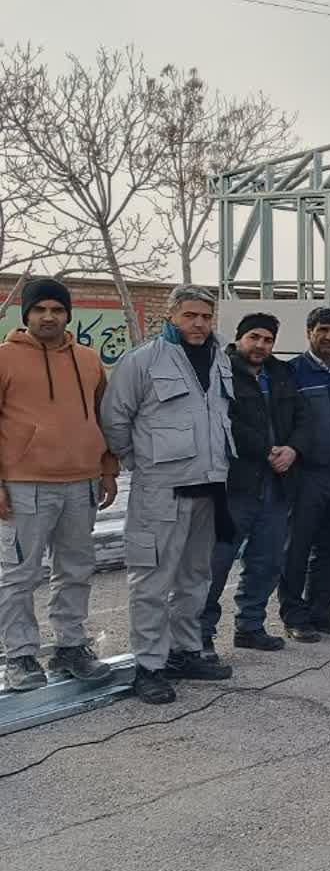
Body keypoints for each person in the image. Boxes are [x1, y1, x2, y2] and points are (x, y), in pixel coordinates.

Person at [100, 284, 235, 704]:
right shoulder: (142, 361)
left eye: (205, 316)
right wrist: (139, 461)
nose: (199, 323)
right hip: (160, 490)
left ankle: (184, 651)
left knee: (195, 577)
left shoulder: (220, 358)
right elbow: (115, 419)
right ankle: (149, 666)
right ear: (171, 316)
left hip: (209, 487)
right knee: (152, 580)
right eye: (190, 315)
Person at [0, 278, 120, 690]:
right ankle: (20, 657)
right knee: (19, 574)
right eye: (40, 310)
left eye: (57, 310)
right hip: (24, 485)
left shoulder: (88, 359)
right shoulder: (5, 359)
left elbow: (103, 417)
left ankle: (70, 648)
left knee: (75, 570)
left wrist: (107, 469)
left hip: (81, 483)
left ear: (68, 314)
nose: (48, 317)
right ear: (26, 315)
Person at [201, 312, 305, 653]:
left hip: (277, 485)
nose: (261, 345)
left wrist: (293, 448)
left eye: (268, 340)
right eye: (254, 337)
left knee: (267, 561)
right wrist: (265, 450)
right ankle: (200, 634)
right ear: (239, 338)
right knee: (216, 563)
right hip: (237, 485)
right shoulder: (221, 372)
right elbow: (224, 422)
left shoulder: (282, 374)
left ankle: (250, 626)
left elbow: (303, 417)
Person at [278, 307, 330, 641]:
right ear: (309, 332)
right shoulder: (291, 373)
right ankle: (294, 615)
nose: (329, 337)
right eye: (323, 330)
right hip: (306, 475)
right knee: (296, 549)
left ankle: (322, 610)